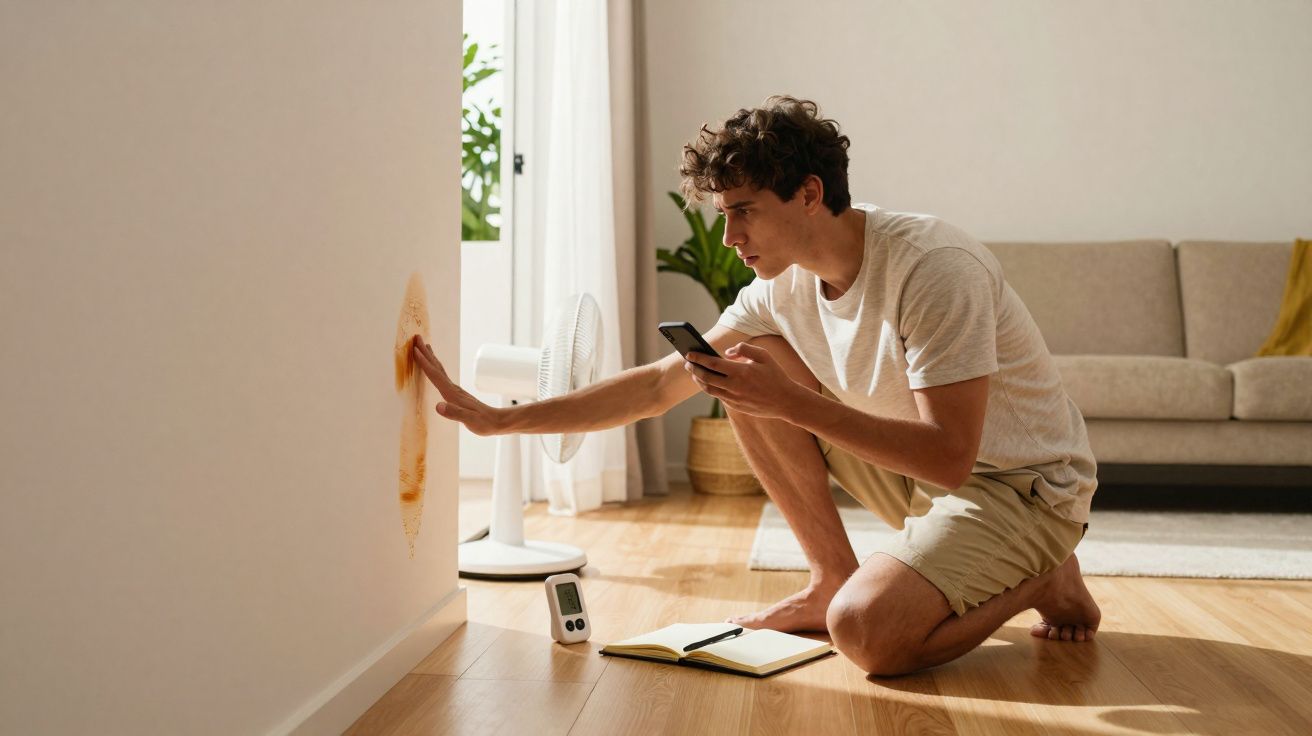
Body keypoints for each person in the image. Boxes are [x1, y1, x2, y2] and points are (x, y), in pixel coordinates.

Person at [411, 95, 1101, 676]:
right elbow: (656, 388)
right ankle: (829, 574)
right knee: (740, 360)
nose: (731, 235)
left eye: (744, 210)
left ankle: (1044, 577)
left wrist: (795, 403)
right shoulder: (779, 290)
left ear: (809, 194)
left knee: (864, 633)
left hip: (1021, 486)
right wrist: (505, 420)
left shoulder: (933, 269)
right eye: (723, 215)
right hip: (927, 484)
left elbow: (952, 457)